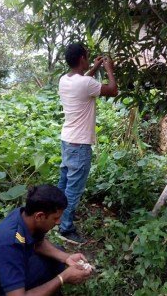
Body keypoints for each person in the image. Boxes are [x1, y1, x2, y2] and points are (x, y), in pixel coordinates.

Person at [0, 184, 92, 296]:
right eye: (55, 218)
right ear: (39, 216)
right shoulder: (10, 244)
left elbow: (38, 243)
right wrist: (62, 278)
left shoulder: (22, 214)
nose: (59, 222)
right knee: (53, 270)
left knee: (57, 259)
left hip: (2, 272)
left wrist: (66, 257)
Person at [58, 43, 118, 243]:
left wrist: (95, 67)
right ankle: (65, 229)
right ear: (82, 58)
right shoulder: (85, 84)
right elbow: (112, 90)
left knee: (65, 182)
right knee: (73, 189)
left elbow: (83, 81)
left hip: (67, 140)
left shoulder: (64, 80)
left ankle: (56, 216)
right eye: (88, 56)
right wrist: (109, 69)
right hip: (80, 144)